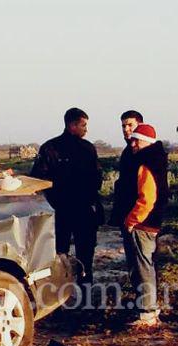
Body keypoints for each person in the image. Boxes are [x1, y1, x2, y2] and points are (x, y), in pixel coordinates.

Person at [31, 107, 104, 285]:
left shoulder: (49, 147)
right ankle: (83, 293)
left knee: (59, 254)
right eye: (83, 125)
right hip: (79, 210)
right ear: (72, 125)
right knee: (84, 256)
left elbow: (37, 180)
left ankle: (60, 292)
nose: (86, 129)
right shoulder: (84, 149)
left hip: (61, 211)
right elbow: (97, 179)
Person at [118, 124, 168, 327]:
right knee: (145, 266)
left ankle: (146, 313)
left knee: (142, 267)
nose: (132, 143)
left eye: (136, 139)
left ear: (147, 141)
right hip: (149, 223)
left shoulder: (146, 162)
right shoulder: (156, 159)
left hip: (142, 224)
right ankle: (148, 308)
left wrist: (132, 220)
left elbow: (147, 198)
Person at [109, 110, 144, 228]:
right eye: (123, 126)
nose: (126, 129)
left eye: (130, 125)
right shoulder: (127, 151)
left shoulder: (146, 151)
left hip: (139, 214)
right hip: (126, 211)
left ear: (140, 126)